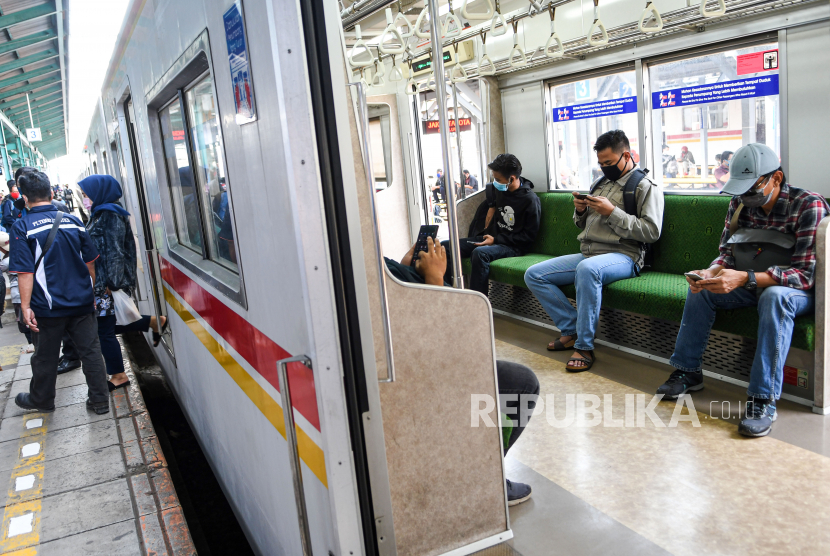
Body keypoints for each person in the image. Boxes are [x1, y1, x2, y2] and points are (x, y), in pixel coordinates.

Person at [656, 143, 828, 437]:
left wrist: (745, 278)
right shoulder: (740, 204)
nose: (746, 196)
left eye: (752, 187)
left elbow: (805, 275)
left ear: (775, 178)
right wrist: (711, 272)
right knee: (703, 289)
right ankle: (688, 370)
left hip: (793, 291)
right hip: (749, 279)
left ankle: (763, 399)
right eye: (741, 189)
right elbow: (727, 254)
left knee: (775, 298)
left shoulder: (808, 205)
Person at [385, 237, 539, 506]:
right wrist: (434, 278)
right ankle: (482, 478)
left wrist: (402, 268)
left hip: (414, 357)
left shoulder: (369, 266)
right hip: (418, 367)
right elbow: (446, 333)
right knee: (523, 383)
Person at [524, 130, 664, 371]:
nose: (604, 168)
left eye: (608, 163)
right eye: (600, 164)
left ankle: (585, 346)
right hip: (590, 252)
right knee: (534, 274)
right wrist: (580, 211)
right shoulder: (600, 184)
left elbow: (651, 232)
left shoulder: (644, 186)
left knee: (587, 269)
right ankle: (571, 327)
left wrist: (613, 212)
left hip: (624, 255)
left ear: (627, 155)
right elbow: (583, 224)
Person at [8, 170, 110, 414]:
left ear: (23, 197)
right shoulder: (73, 220)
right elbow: (90, 262)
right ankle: (100, 401)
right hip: (82, 302)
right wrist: (90, 292)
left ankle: (42, 400)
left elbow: (25, 273)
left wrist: (25, 307)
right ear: (51, 192)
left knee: (45, 356)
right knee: (91, 351)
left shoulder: (23, 227)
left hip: (47, 306)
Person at [78, 175, 167, 392]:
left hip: (107, 283)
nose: (85, 198)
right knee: (106, 325)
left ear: (99, 191)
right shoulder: (101, 212)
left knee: (103, 330)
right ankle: (154, 322)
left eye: (86, 193)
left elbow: (115, 252)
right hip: (103, 281)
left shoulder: (109, 214)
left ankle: (118, 375)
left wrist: (112, 283)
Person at [442, 154, 541, 295]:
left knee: (480, 253)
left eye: (498, 179)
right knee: (446, 246)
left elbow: (528, 237)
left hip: (514, 246)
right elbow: (491, 189)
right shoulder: (502, 189)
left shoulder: (530, 200)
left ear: (511, 178)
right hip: (490, 238)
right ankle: (449, 294)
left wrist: (496, 240)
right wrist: (491, 206)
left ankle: (479, 306)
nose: (495, 182)